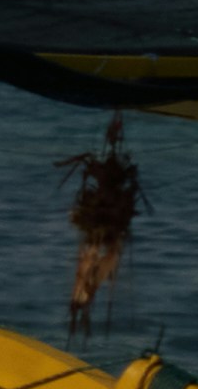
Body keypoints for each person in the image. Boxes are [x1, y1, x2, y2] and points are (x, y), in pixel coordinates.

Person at [57, 117, 145, 339]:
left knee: (91, 264)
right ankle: (80, 309)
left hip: (103, 225)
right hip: (104, 224)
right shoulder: (100, 248)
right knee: (91, 264)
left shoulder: (99, 248)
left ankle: (80, 309)